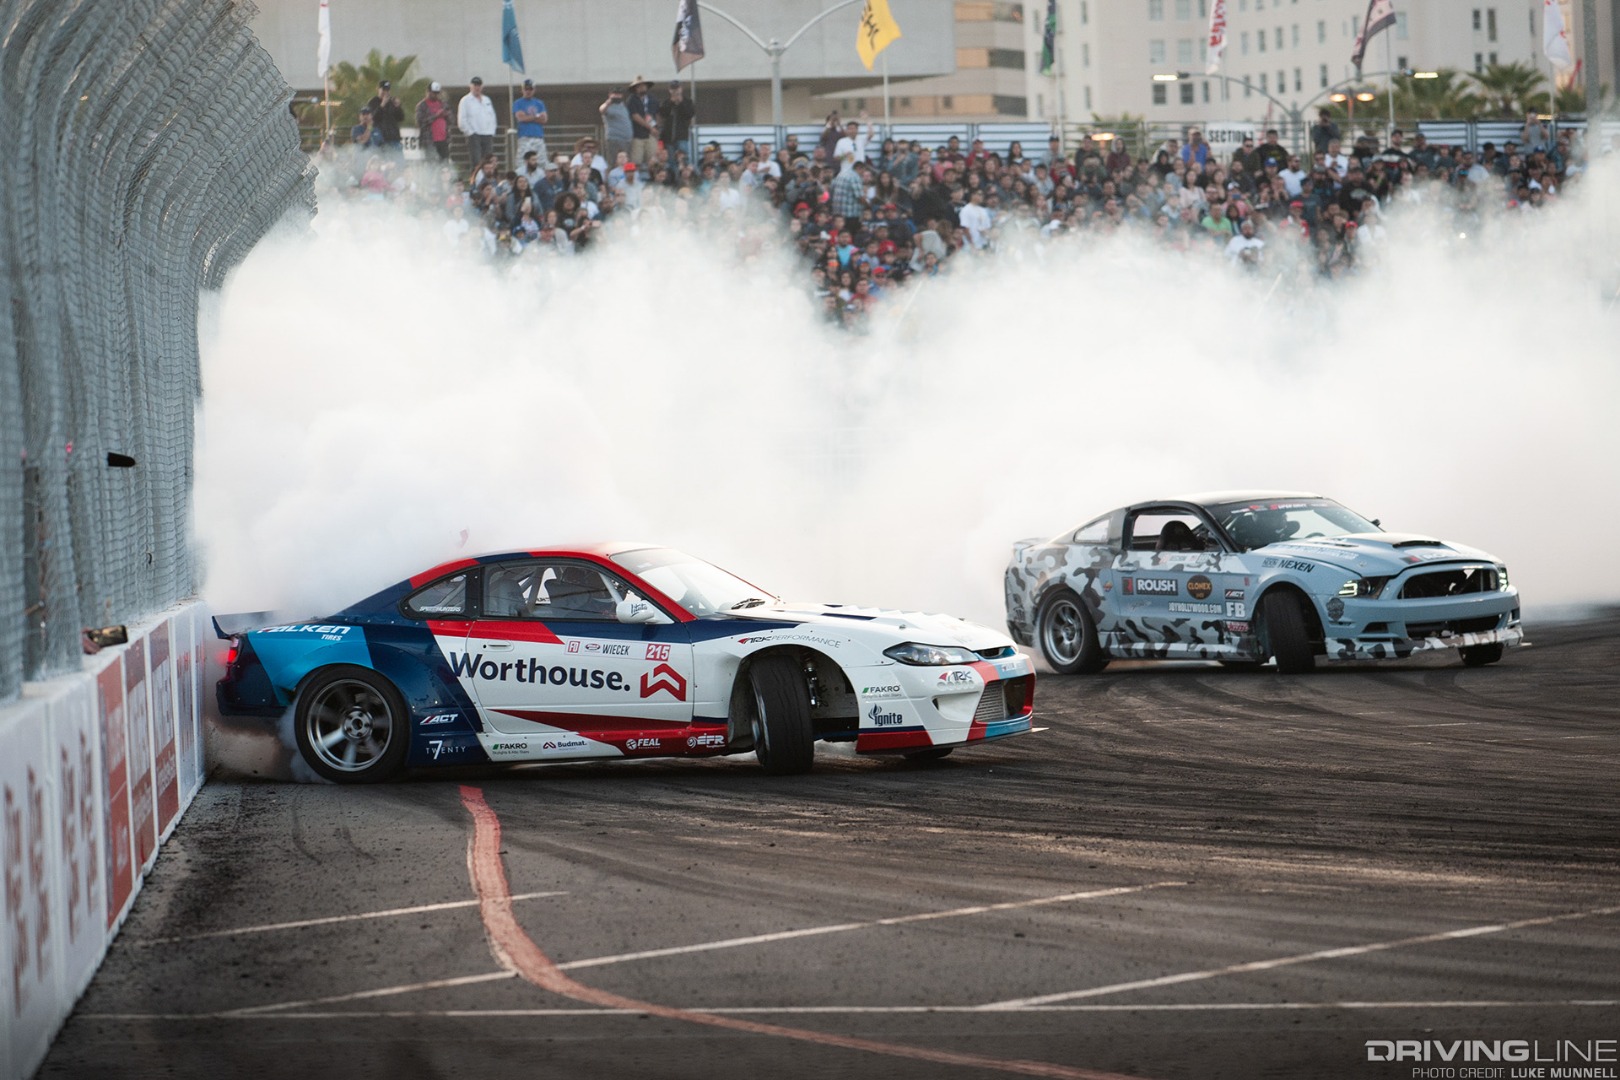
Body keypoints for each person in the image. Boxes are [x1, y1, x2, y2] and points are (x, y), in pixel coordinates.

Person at [458, 77, 497, 169]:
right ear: (470, 86)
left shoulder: (486, 100)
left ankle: (487, 181)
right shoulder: (465, 100)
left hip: (487, 134)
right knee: (477, 162)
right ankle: (476, 181)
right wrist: (470, 133)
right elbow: (462, 119)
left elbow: (492, 116)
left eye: (479, 85)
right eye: (475, 85)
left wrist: (492, 131)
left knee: (488, 161)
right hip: (474, 134)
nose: (477, 88)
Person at [658, 80, 695, 166]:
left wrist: (680, 102)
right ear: (669, 90)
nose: (675, 91)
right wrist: (671, 102)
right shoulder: (666, 102)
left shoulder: (688, 101)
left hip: (682, 136)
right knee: (671, 161)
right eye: (673, 89)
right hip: (668, 138)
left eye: (677, 88)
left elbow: (689, 114)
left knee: (683, 160)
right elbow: (663, 113)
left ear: (681, 89)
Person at [512, 79, 548, 164]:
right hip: (525, 137)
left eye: (530, 89)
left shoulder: (539, 103)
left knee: (541, 163)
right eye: (526, 89)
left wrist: (528, 117)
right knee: (522, 162)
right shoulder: (518, 103)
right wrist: (536, 116)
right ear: (522, 90)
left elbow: (544, 119)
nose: (528, 91)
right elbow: (521, 118)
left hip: (538, 137)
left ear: (534, 90)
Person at [625, 75, 658, 167]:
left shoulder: (653, 99)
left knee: (653, 161)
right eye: (639, 86)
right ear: (635, 88)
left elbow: (656, 114)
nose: (642, 87)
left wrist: (656, 128)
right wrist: (650, 128)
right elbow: (635, 116)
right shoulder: (632, 100)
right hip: (637, 135)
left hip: (650, 136)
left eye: (643, 85)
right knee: (636, 161)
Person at [415, 81, 451, 162]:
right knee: (432, 164)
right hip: (430, 141)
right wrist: (435, 116)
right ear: (428, 92)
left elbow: (452, 120)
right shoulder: (422, 106)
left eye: (437, 93)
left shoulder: (443, 104)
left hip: (443, 140)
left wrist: (447, 115)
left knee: (445, 164)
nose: (436, 95)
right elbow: (420, 122)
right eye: (434, 93)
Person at [366, 79, 405, 153]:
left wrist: (398, 107)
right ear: (378, 89)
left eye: (387, 90)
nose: (385, 92)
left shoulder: (392, 101)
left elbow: (401, 118)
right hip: (381, 139)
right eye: (383, 90)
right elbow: (373, 118)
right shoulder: (373, 102)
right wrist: (382, 104)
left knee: (399, 162)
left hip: (394, 138)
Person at [598, 86, 632, 166]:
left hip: (627, 140)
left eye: (619, 94)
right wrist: (608, 103)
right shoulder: (608, 106)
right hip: (614, 139)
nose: (617, 96)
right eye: (615, 94)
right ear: (610, 94)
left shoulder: (623, 105)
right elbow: (601, 110)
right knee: (614, 162)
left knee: (626, 162)